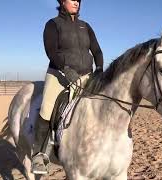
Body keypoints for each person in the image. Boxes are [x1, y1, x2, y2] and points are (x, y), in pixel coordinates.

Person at [32, 0, 103, 174]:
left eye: (78, 0)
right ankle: (39, 155)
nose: (76, 3)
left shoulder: (85, 26)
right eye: (72, 0)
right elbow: (51, 51)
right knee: (47, 108)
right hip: (59, 73)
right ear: (62, 2)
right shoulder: (53, 24)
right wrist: (66, 70)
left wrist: (99, 69)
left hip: (86, 75)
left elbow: (97, 51)